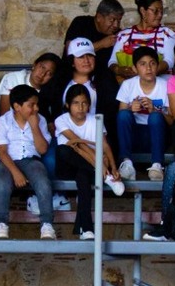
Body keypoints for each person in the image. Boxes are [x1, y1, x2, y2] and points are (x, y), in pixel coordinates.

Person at [52, 82, 129, 239]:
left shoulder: (95, 120)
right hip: (68, 166)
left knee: (83, 177)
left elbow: (105, 146)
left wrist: (113, 168)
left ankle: (86, 229)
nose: (80, 107)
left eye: (84, 103)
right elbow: (77, 142)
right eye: (75, 103)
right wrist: (100, 166)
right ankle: (104, 176)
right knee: (63, 150)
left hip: (89, 166)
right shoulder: (61, 120)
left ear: (89, 105)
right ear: (67, 105)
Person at [0, 84, 54, 241]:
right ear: (17, 106)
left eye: (37, 104)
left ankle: (47, 224)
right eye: (31, 105)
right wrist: (16, 173)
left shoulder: (41, 121)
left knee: (43, 182)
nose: (36, 108)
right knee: (2, 184)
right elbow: (2, 152)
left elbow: (43, 149)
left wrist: (34, 127)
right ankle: (1, 224)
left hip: (31, 161)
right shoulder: (2, 121)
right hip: (6, 162)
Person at [113, 46, 174, 182]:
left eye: (152, 63)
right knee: (124, 114)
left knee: (155, 117)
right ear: (135, 68)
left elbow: (172, 121)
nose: (148, 68)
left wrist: (155, 110)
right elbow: (121, 117)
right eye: (143, 64)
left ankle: (157, 165)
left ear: (157, 66)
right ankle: (126, 164)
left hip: (159, 135)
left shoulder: (166, 85)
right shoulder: (128, 85)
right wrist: (130, 108)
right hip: (136, 136)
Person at [112, 0, 175, 72]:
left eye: (161, 11)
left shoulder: (167, 34)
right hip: (131, 81)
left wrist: (145, 73)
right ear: (143, 11)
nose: (160, 15)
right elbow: (112, 61)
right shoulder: (124, 35)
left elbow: (169, 61)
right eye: (155, 11)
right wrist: (121, 70)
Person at [0, 51, 61, 121]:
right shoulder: (13, 79)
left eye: (49, 73)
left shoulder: (49, 93)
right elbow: (4, 115)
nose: (42, 74)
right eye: (42, 67)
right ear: (34, 65)